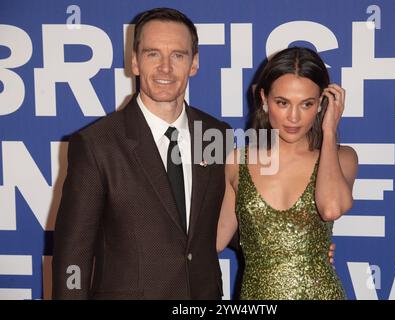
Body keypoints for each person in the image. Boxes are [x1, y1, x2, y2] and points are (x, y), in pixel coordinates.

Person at [52, 7, 231, 299]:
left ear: (194, 63)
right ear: (134, 62)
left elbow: (223, 220)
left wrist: (295, 238)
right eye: (152, 54)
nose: (165, 68)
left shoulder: (216, 134)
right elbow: (74, 252)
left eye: (178, 55)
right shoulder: (97, 144)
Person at [217, 47, 358, 299]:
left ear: (321, 104)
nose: (293, 117)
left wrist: (329, 132)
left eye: (307, 103)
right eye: (282, 103)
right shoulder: (238, 161)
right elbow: (215, 240)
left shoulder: (342, 157)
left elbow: (331, 208)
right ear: (263, 98)